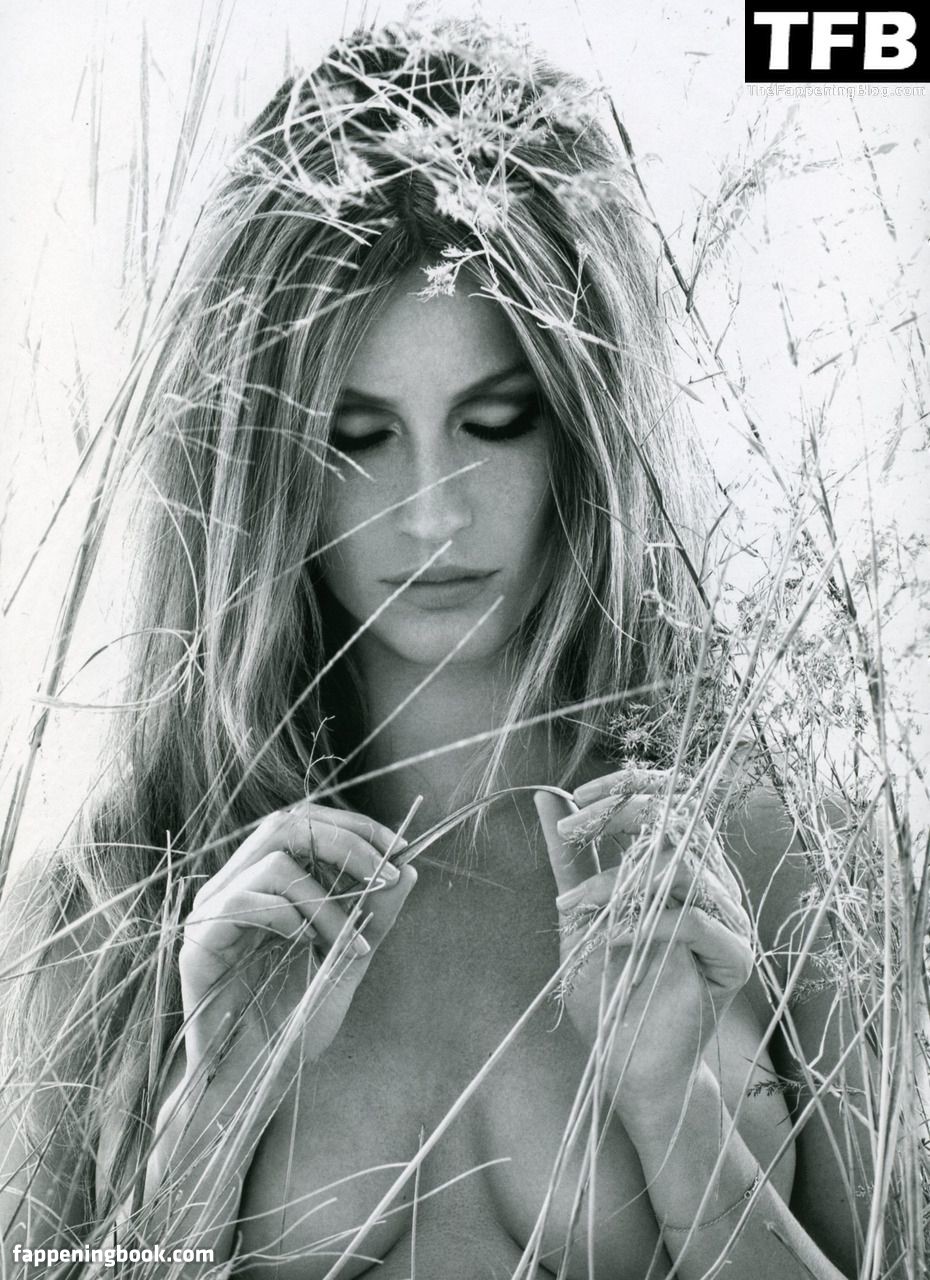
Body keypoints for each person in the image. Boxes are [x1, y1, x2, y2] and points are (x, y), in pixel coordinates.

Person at [0, 15, 875, 1279]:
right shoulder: (106, 902)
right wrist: (203, 1127)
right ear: (258, 458)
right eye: (356, 436)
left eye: (496, 419)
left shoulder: (789, 872)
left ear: (584, 424)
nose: (431, 513)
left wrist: (687, 1128)